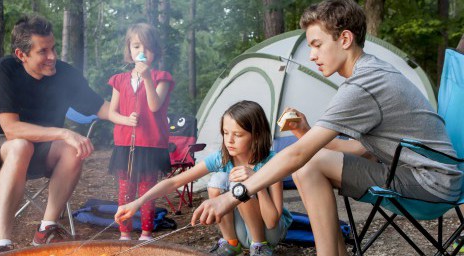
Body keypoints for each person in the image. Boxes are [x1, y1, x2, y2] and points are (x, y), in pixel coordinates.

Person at [190, 1, 462, 255]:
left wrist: (235, 195)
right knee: (311, 161)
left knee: (308, 164)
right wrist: (306, 132)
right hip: (434, 179)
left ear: (344, 39)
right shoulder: (373, 72)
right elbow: (358, 149)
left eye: (317, 45)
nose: (311, 56)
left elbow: (299, 155)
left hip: (429, 185)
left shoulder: (363, 85)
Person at [0, 16, 110, 254]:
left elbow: (102, 107)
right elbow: (12, 129)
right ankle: (2, 243)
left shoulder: (65, 74)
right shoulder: (4, 70)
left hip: (46, 149)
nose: (52, 57)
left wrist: (136, 115)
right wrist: (63, 132)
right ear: (21, 55)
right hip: (3, 145)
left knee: (72, 148)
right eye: (43, 51)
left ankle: (46, 229)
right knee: (21, 146)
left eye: (53, 48)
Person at [115, 101, 292, 256]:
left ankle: (259, 247)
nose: (229, 140)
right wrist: (137, 202)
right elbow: (175, 182)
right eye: (225, 132)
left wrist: (256, 182)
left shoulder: (271, 162)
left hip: (269, 234)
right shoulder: (222, 158)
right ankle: (231, 244)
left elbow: (271, 221)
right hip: (242, 230)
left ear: (256, 135)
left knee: (240, 183)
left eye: (237, 135)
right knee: (218, 180)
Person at [106, 23, 175, 241]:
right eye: (136, 46)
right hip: (125, 143)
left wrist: (146, 78)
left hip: (151, 143)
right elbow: (111, 113)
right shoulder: (119, 80)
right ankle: (124, 233)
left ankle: (146, 233)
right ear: (129, 49)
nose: (142, 53)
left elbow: (155, 106)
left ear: (155, 51)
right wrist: (126, 120)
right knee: (126, 189)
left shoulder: (161, 77)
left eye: (147, 48)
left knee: (147, 190)